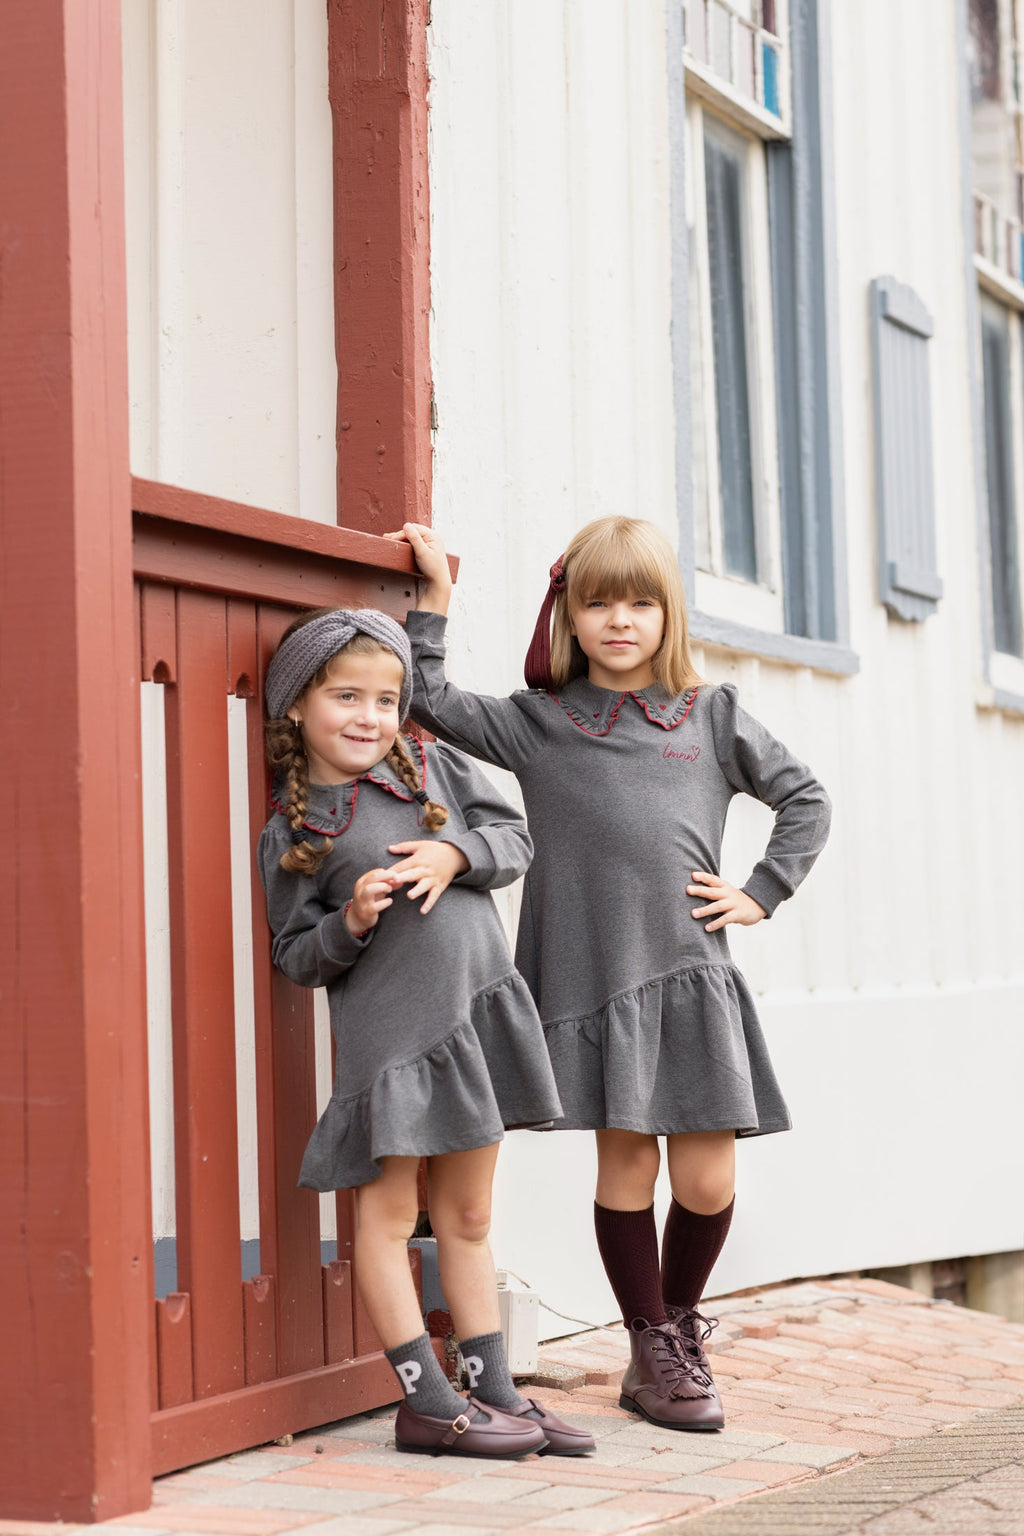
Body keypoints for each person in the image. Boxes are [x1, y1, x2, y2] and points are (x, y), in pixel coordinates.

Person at [389, 517, 832, 1432]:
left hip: (689, 976)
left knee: (707, 1183)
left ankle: (674, 1323)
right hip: (593, 979)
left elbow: (805, 798)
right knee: (626, 1166)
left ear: (668, 614)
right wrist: (434, 599)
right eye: (598, 603)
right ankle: (652, 1349)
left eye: (639, 603)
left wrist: (761, 891)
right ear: (569, 616)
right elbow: (426, 698)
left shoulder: (710, 716)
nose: (619, 620)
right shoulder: (540, 724)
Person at [257, 606, 594, 1459]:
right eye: (346, 697)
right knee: (386, 1213)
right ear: (297, 704)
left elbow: (515, 838)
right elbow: (295, 954)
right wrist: (349, 922)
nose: (369, 716)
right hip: (394, 1047)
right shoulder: (294, 828)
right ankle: (427, 1400)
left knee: (469, 1214)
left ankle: (497, 1392)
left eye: (385, 698)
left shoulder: (434, 765)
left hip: (474, 1019)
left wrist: (456, 855)